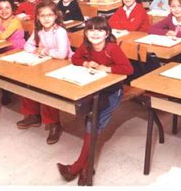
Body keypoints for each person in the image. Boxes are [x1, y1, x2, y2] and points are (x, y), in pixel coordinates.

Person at [57, 17, 133, 186]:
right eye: (91, 30)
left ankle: (78, 167)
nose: (95, 34)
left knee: (93, 123)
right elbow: (75, 59)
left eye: (99, 30)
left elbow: (128, 69)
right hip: (93, 88)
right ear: (86, 33)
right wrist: (86, 62)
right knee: (90, 119)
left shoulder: (112, 49)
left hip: (112, 91)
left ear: (106, 33)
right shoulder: (86, 46)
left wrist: (108, 68)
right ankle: (85, 169)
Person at [17, 1, 73, 144]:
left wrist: (44, 51)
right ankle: (33, 114)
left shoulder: (59, 31)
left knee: (47, 89)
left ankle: (54, 123)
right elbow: (27, 46)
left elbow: (62, 54)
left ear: (56, 16)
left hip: (63, 65)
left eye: (50, 15)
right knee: (27, 81)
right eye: (42, 16)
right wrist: (37, 50)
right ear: (38, 18)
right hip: (46, 63)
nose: (46, 19)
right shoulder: (39, 31)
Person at [0, 0, 26, 105]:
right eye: (0, 8)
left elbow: (3, 36)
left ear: (13, 9)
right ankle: (5, 90)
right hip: (4, 49)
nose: (4, 11)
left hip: (17, 50)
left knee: (3, 64)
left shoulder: (15, 21)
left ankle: (7, 91)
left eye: (7, 8)